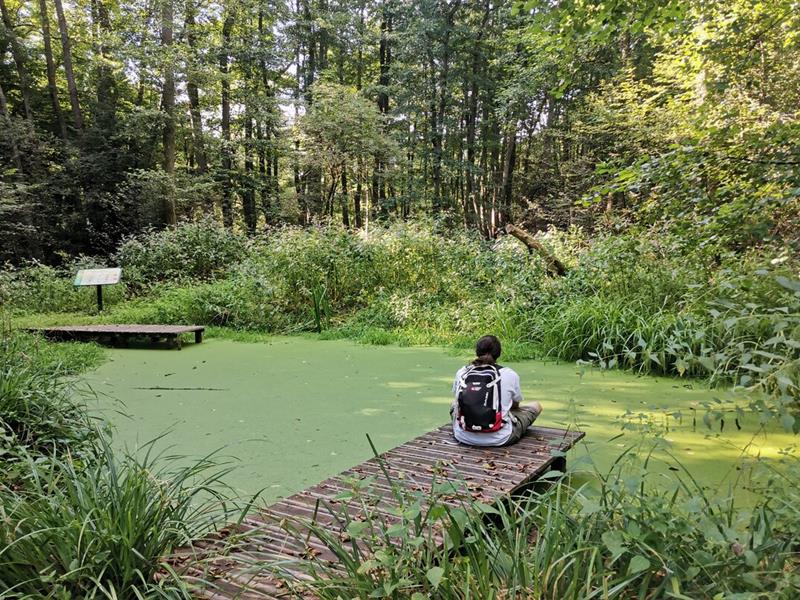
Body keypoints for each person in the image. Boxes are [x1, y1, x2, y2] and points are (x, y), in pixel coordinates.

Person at [451, 335, 542, 447]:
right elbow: (515, 405)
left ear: (477, 352)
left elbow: (458, 401)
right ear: (498, 353)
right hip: (501, 437)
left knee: (453, 404)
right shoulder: (510, 374)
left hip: (463, 436)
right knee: (536, 405)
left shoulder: (462, 372)